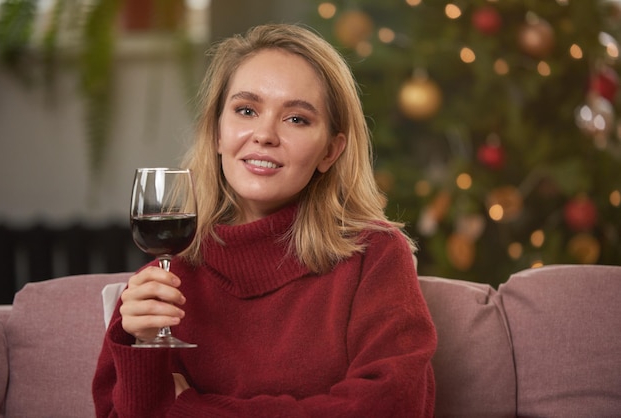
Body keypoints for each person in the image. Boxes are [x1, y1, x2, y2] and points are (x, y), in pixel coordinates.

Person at [93, 23, 437, 417]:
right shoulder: (166, 279)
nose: (265, 134)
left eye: (297, 119)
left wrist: (190, 408)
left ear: (330, 151)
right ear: (217, 133)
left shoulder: (373, 255)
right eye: (246, 110)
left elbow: (395, 407)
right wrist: (142, 345)